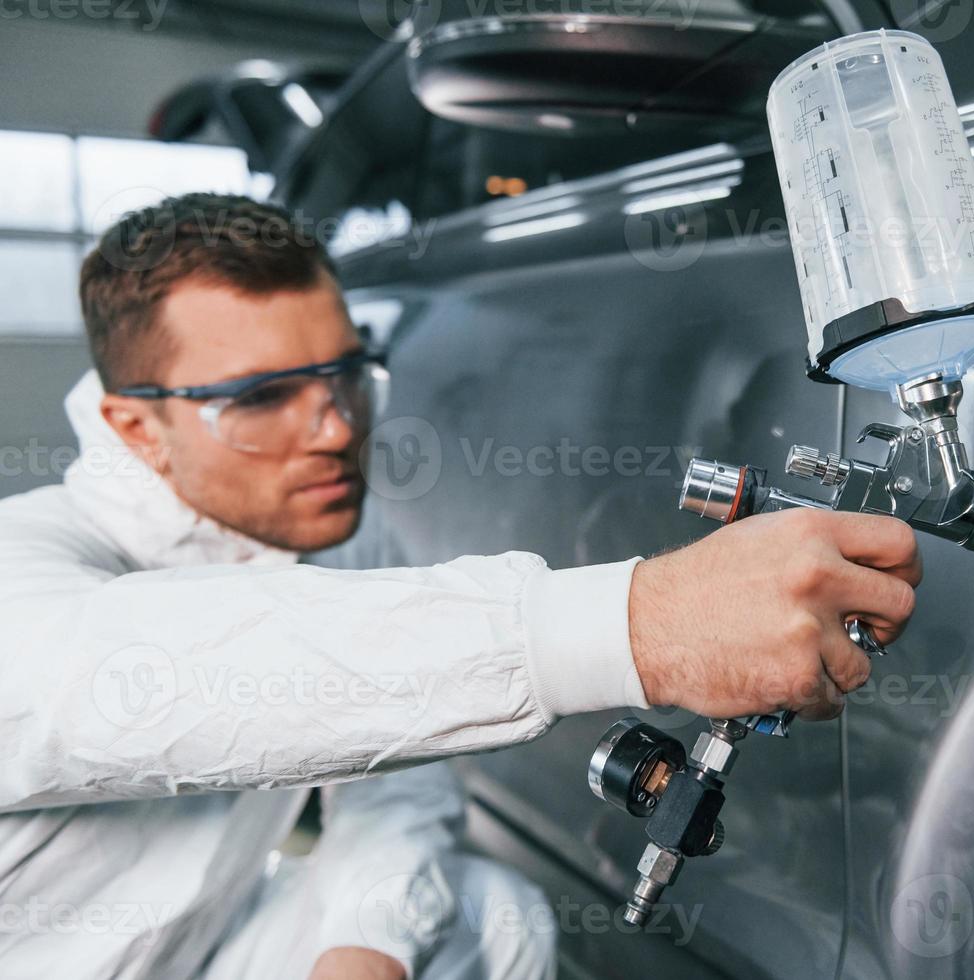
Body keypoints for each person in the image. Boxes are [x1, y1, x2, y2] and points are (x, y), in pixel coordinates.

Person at [0, 194, 921, 979]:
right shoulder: (26, 567)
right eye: (260, 397)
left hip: (208, 954)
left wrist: (364, 944)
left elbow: (396, 785)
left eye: (346, 373)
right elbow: (187, 667)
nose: (333, 429)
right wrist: (642, 622)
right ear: (135, 427)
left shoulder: (332, 530)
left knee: (487, 918)